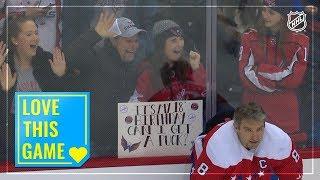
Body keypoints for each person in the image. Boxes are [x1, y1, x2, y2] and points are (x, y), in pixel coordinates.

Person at [65, 11, 145, 157]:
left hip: (123, 144)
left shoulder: (134, 65)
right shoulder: (95, 57)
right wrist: (95, 34)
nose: (134, 46)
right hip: (92, 144)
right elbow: (68, 57)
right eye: (128, 41)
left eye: (136, 41)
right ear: (114, 40)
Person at [0, 15, 70, 161]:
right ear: (14, 40)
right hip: (12, 141)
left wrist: (60, 76)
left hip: (45, 137)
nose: (36, 38)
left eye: (36, 33)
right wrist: (4, 90)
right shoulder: (4, 65)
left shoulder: (47, 61)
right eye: (29, 34)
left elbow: (62, 107)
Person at [238, 0, 309, 134]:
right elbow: (245, 74)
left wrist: (260, 69)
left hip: (285, 113)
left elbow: (294, 78)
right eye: (263, 10)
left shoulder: (300, 40)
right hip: (254, 110)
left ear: (283, 15)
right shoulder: (249, 37)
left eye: (271, 12)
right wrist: (279, 80)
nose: (265, 15)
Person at [191, 102, 303, 179]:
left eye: (259, 129)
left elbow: (293, 175)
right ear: (236, 128)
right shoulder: (218, 146)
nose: (255, 137)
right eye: (248, 130)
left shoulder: (280, 141)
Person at [131, 19, 206, 102]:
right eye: (173, 40)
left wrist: (196, 69)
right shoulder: (148, 72)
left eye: (181, 39)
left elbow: (204, 98)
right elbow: (136, 106)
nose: (179, 45)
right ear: (161, 44)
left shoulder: (189, 65)